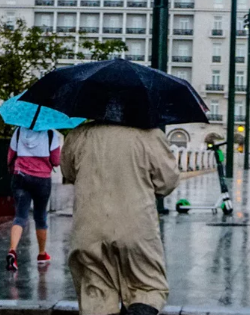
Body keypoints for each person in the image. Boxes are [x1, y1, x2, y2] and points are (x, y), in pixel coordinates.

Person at [61, 123, 179, 315]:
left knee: (96, 293)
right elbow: (167, 182)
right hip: (136, 226)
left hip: (89, 227)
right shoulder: (150, 135)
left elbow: (68, 172)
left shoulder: (79, 135)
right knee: (146, 287)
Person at [5, 126, 61, 271]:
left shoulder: (18, 131)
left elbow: (11, 155)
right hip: (42, 180)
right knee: (40, 216)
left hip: (20, 177)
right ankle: (42, 254)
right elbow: (56, 161)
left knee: (20, 216)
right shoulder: (50, 133)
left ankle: (12, 251)